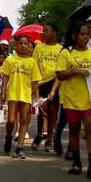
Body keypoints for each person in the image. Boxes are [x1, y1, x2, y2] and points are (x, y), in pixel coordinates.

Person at [55, 21, 91, 179]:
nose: (86, 37)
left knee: (90, 129)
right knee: (74, 130)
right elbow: (60, 74)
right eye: (82, 34)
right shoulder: (66, 53)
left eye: (87, 34)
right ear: (74, 35)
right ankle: (76, 162)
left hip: (90, 99)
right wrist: (75, 71)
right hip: (71, 99)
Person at [1, 34, 41, 160]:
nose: (23, 46)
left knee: (24, 120)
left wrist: (37, 97)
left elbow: (35, 81)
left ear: (29, 46)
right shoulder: (10, 60)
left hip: (26, 95)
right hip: (13, 94)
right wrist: (3, 92)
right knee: (11, 120)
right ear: (16, 46)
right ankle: (8, 135)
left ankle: (20, 147)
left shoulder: (32, 62)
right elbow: (5, 76)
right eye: (20, 44)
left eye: (26, 44)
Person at [31, 23, 62, 152]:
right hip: (41, 82)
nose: (44, 33)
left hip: (55, 82)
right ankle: (39, 134)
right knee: (42, 111)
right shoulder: (38, 48)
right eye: (43, 31)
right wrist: (35, 85)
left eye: (47, 31)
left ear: (55, 33)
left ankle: (50, 137)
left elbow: (61, 67)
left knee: (53, 112)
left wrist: (55, 87)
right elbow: (34, 65)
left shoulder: (61, 49)